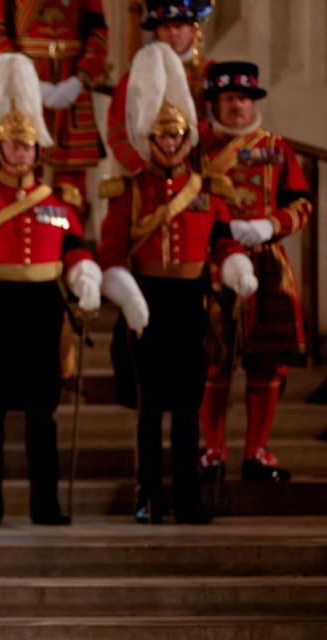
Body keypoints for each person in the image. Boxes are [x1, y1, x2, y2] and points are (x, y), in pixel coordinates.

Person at [0, 53, 102, 526]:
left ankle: (45, 502)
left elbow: (72, 247)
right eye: (14, 144)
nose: (22, 152)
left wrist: (84, 273)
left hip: (43, 306)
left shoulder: (58, 201)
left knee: (41, 413)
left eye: (29, 144)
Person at [97, 42, 257, 525]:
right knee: (150, 409)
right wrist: (123, 291)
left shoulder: (208, 189)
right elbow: (109, 252)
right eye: (161, 137)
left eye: (177, 136)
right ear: (150, 138)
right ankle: (150, 497)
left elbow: (224, 241)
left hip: (191, 302)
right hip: (145, 302)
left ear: (188, 136)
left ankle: (188, 497)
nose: (169, 144)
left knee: (188, 407)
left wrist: (236, 269)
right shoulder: (128, 191)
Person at [197, 62, 312, 483]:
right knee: (213, 359)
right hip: (213, 265)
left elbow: (302, 204)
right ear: (215, 103)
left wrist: (271, 224)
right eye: (230, 100)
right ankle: (213, 449)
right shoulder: (199, 148)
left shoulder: (277, 148)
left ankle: (256, 451)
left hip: (267, 264)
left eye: (245, 99)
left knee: (268, 363)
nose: (239, 108)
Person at [0, 0, 109, 220]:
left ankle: (72, 245)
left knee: (73, 180)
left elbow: (98, 31)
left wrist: (81, 78)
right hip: (21, 87)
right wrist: (27, 80)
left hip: (72, 83)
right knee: (19, 166)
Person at [107, 0, 214, 176]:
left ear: (193, 29)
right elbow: (117, 131)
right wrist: (143, 164)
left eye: (179, 26)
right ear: (156, 32)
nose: (173, 33)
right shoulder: (133, 78)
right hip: (149, 178)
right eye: (165, 27)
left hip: (199, 174)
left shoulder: (209, 74)